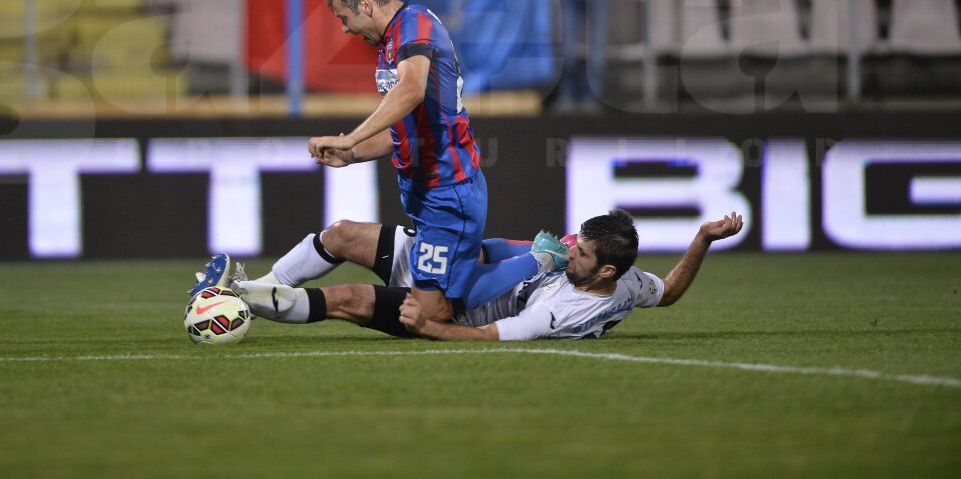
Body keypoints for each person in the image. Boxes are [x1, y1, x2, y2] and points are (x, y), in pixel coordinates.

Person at [304, 0, 566, 324]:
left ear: (365, 4)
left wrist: (351, 139)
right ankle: (544, 251)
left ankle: (541, 260)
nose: (345, 29)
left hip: (448, 186)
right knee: (464, 262)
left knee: (429, 314)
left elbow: (410, 91)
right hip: (432, 190)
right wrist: (353, 153)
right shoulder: (395, 39)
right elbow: (402, 130)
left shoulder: (413, 25)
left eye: (344, 17)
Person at [232, 209, 745, 341]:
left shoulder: (563, 312)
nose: (571, 251)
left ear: (604, 269)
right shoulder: (629, 280)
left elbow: (484, 335)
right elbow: (672, 291)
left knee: (344, 299)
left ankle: (236, 300)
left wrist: (427, 326)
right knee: (342, 233)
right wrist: (702, 238)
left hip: (456, 305)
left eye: (581, 252)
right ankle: (260, 283)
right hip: (466, 269)